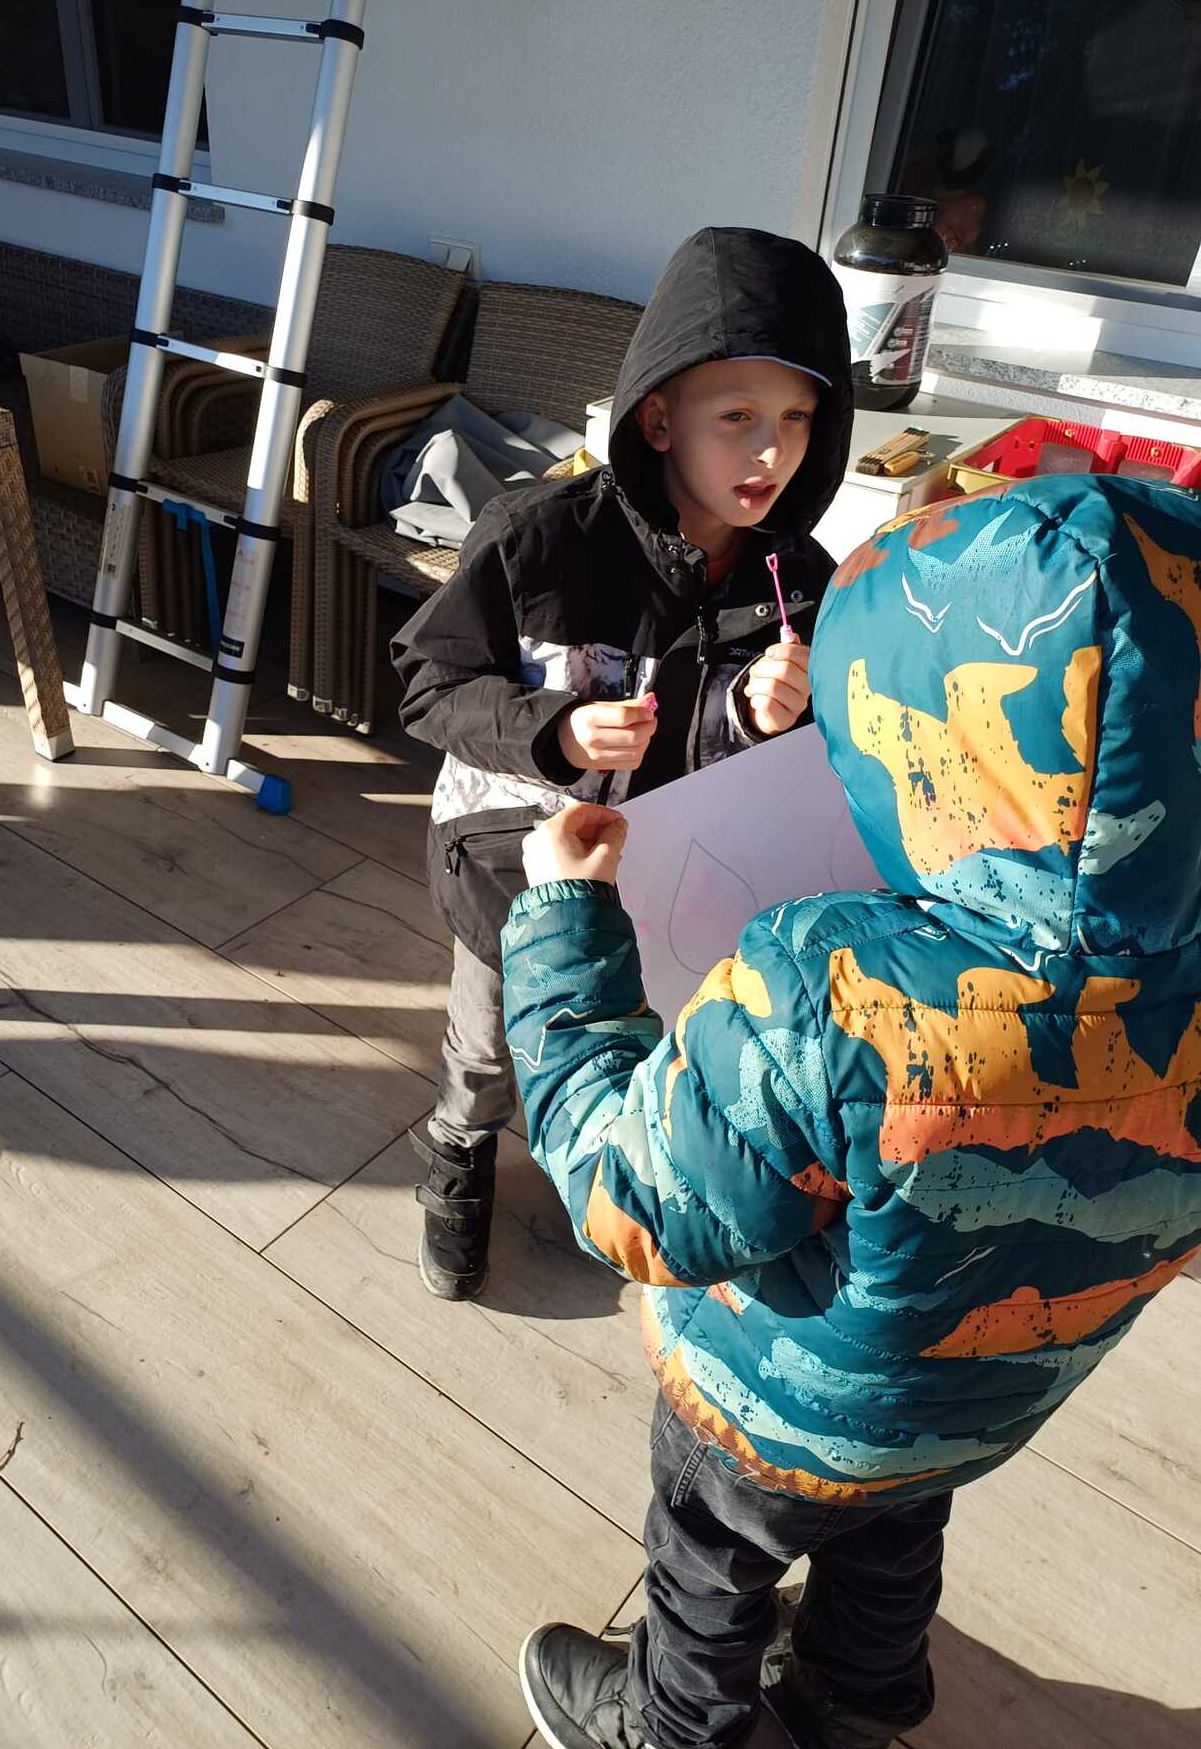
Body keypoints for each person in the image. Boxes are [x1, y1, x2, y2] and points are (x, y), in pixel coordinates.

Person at [501, 473, 1201, 1749]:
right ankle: (855, 1707)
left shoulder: (834, 988)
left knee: (709, 1556)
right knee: (895, 1529)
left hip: (773, 1405)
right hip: (989, 1399)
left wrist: (562, 929)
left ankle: (672, 1726)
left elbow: (628, 1196)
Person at [391, 226, 852, 1300]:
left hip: (685, 879)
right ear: (658, 418)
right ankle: (459, 1147)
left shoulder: (801, 579)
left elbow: (803, 768)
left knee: (652, 1035)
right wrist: (555, 732)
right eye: (736, 417)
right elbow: (428, 684)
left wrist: (770, 715)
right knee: (492, 1038)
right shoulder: (538, 537)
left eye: (795, 419)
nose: (770, 453)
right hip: (521, 865)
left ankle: (621, 1167)